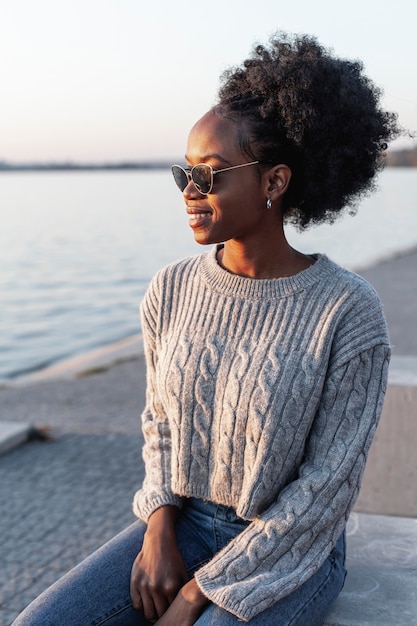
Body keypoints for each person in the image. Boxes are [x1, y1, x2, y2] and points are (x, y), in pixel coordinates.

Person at [14, 32, 401, 626]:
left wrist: (199, 593)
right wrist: (158, 527)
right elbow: (161, 425)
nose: (190, 194)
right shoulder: (170, 289)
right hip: (184, 524)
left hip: (292, 551)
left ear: (274, 182)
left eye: (211, 176)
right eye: (184, 174)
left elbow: (327, 489)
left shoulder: (347, 311)